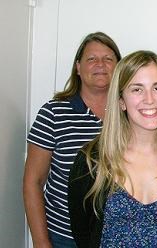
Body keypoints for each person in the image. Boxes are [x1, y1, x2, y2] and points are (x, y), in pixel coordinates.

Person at [68, 50, 157, 248]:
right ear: (121, 100)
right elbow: (82, 234)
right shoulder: (92, 160)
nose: (150, 99)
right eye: (137, 89)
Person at [23, 31, 121, 247]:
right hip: (64, 239)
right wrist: (41, 242)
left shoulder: (131, 114)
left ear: (119, 67)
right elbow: (33, 182)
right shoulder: (54, 113)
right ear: (78, 67)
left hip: (118, 238)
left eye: (108, 59)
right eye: (91, 59)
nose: (100, 65)